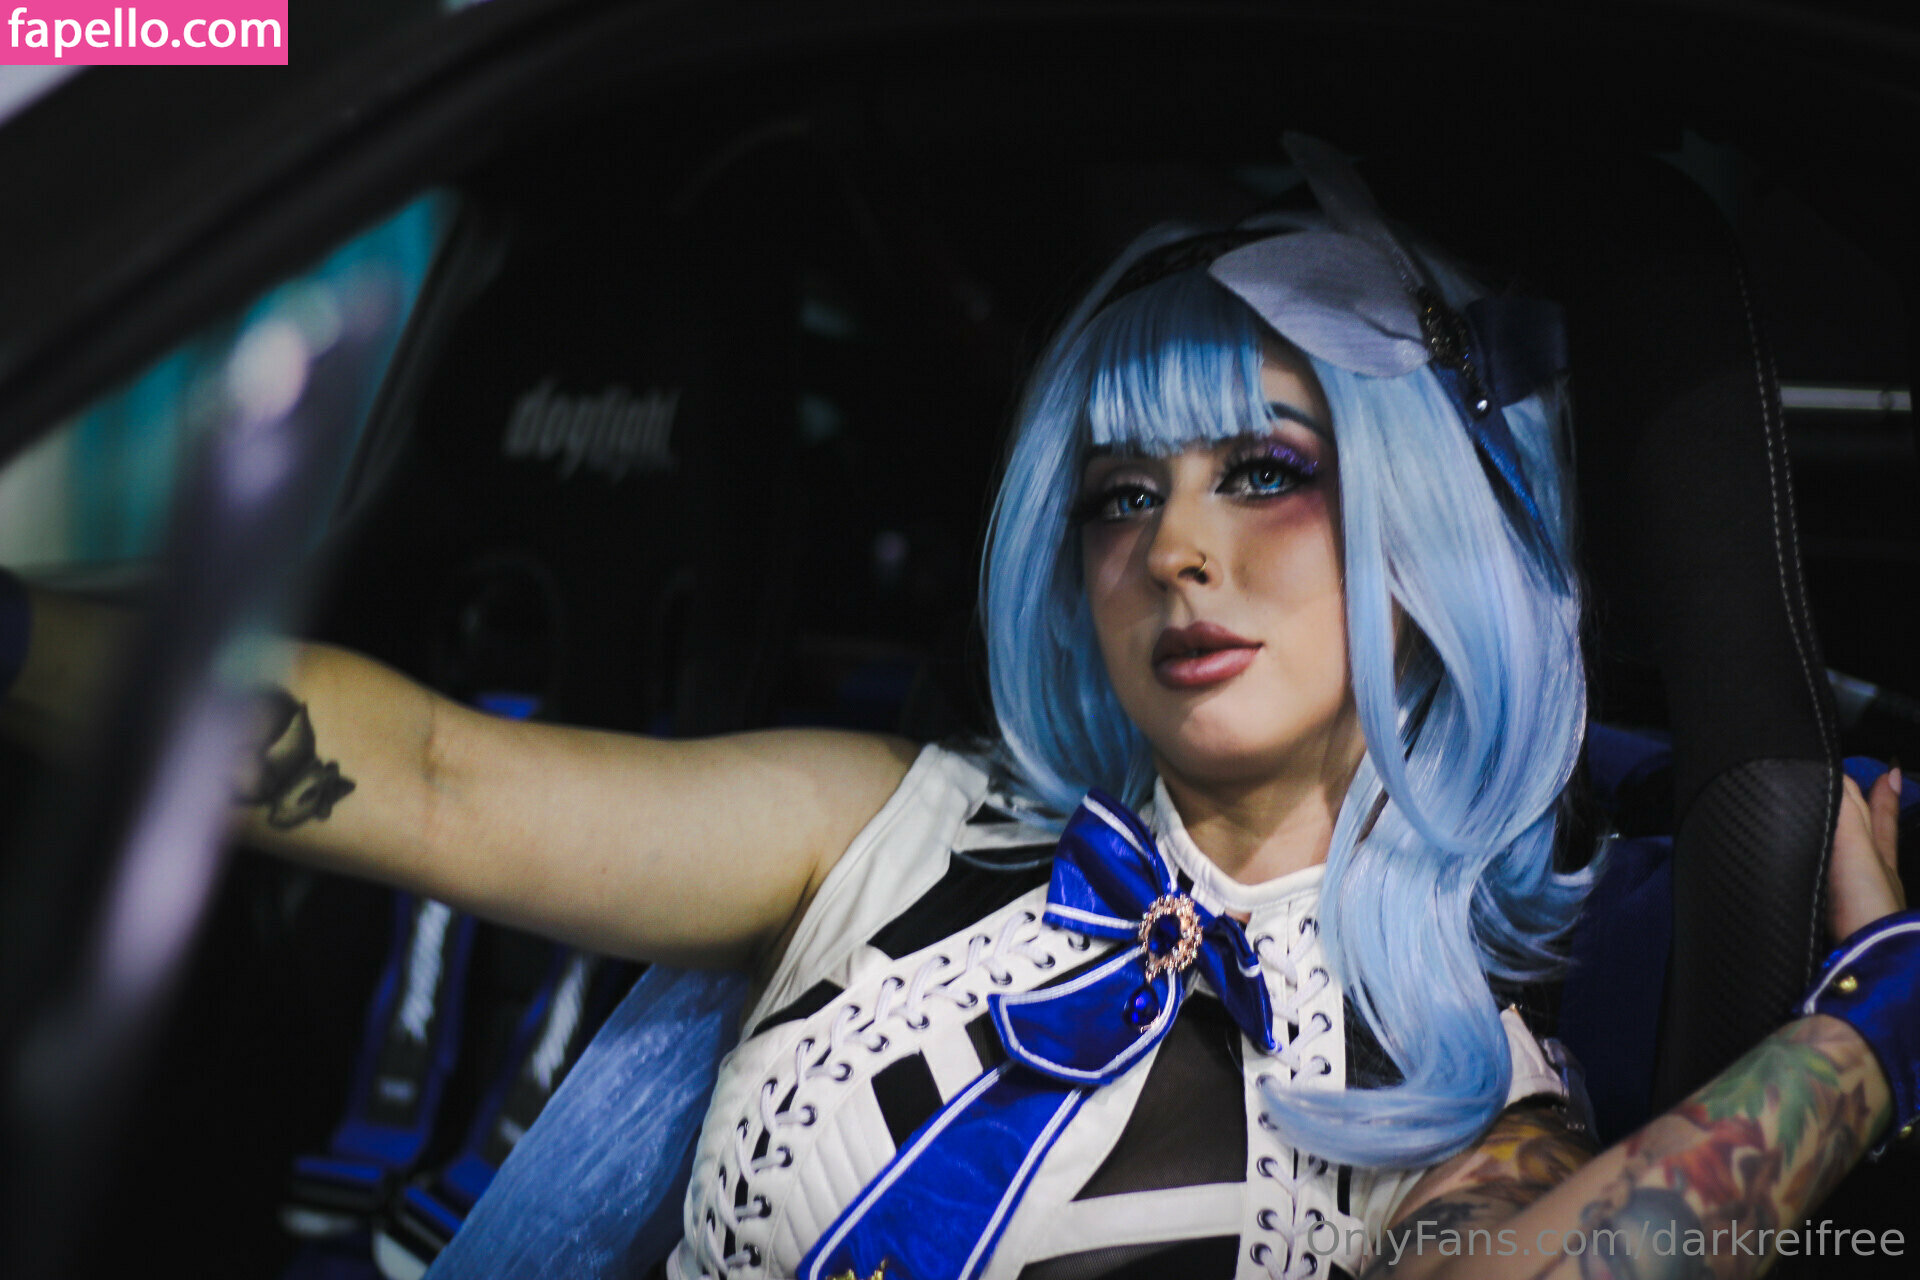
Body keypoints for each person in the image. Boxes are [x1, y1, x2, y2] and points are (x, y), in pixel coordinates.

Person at [0, 136, 1910, 1280]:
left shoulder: (1457, 1079)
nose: (1178, 551)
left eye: (1264, 473)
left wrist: (1871, 1035)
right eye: (1121, 495)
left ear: (1416, 541)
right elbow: (426, 771)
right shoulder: (889, 823)